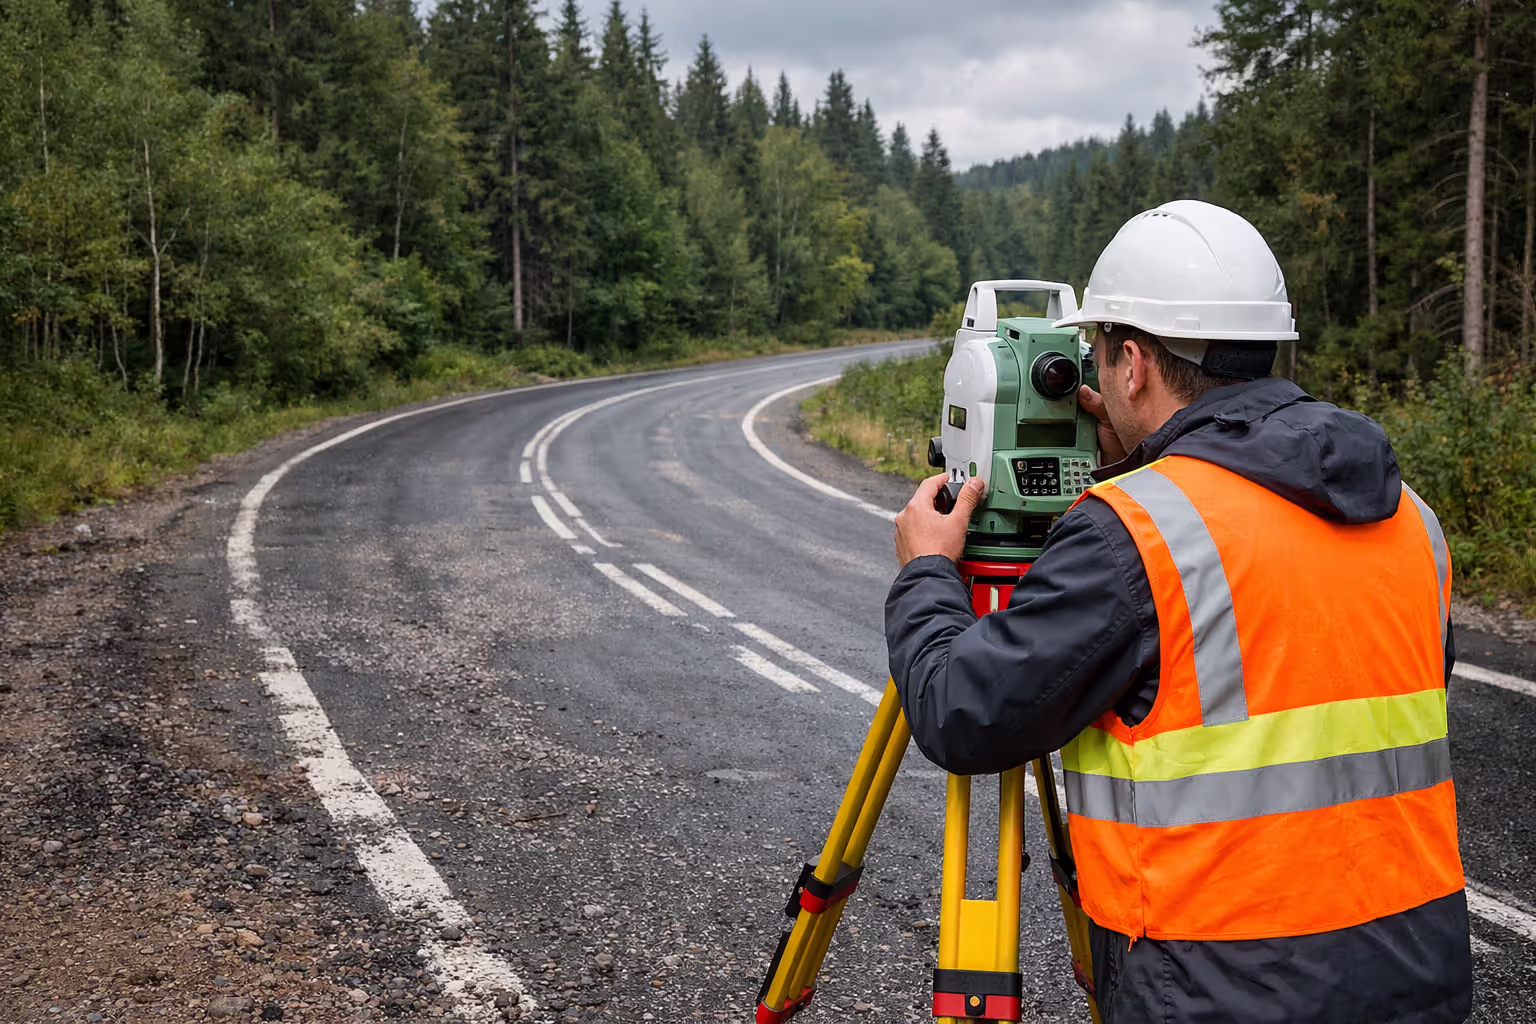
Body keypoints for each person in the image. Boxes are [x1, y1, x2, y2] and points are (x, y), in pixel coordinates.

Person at [887, 200, 1472, 1023]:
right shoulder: (1410, 516)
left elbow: (960, 714)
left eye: (1096, 354)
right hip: (1418, 977)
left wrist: (927, 574)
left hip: (1220, 990)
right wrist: (1152, 462)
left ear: (1131, 363)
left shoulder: (1139, 536)